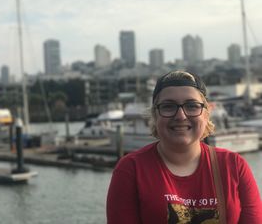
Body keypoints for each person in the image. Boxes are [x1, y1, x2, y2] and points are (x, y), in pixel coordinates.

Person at [106, 70, 262, 223]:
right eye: (168, 106)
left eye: (192, 106)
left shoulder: (233, 166)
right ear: (155, 115)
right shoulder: (131, 169)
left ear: (206, 115)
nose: (181, 116)